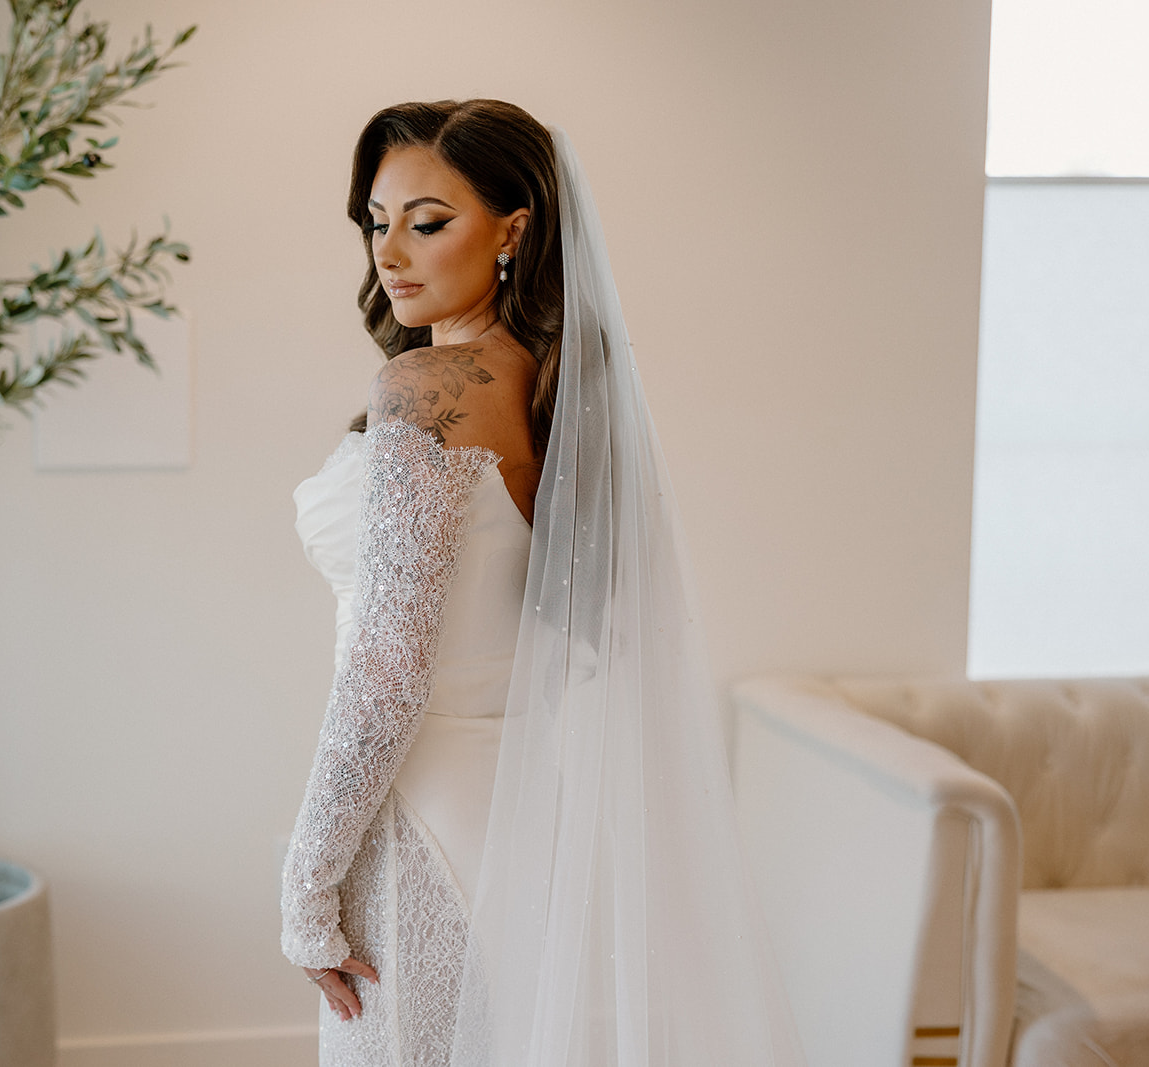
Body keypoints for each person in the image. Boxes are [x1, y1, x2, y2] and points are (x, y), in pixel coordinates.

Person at [281, 100, 806, 1067]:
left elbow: (387, 666)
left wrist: (305, 879)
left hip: (418, 818)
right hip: (525, 819)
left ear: (513, 230)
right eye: (376, 220)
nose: (390, 251)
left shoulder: (429, 391)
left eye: (427, 221)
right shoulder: (550, 385)